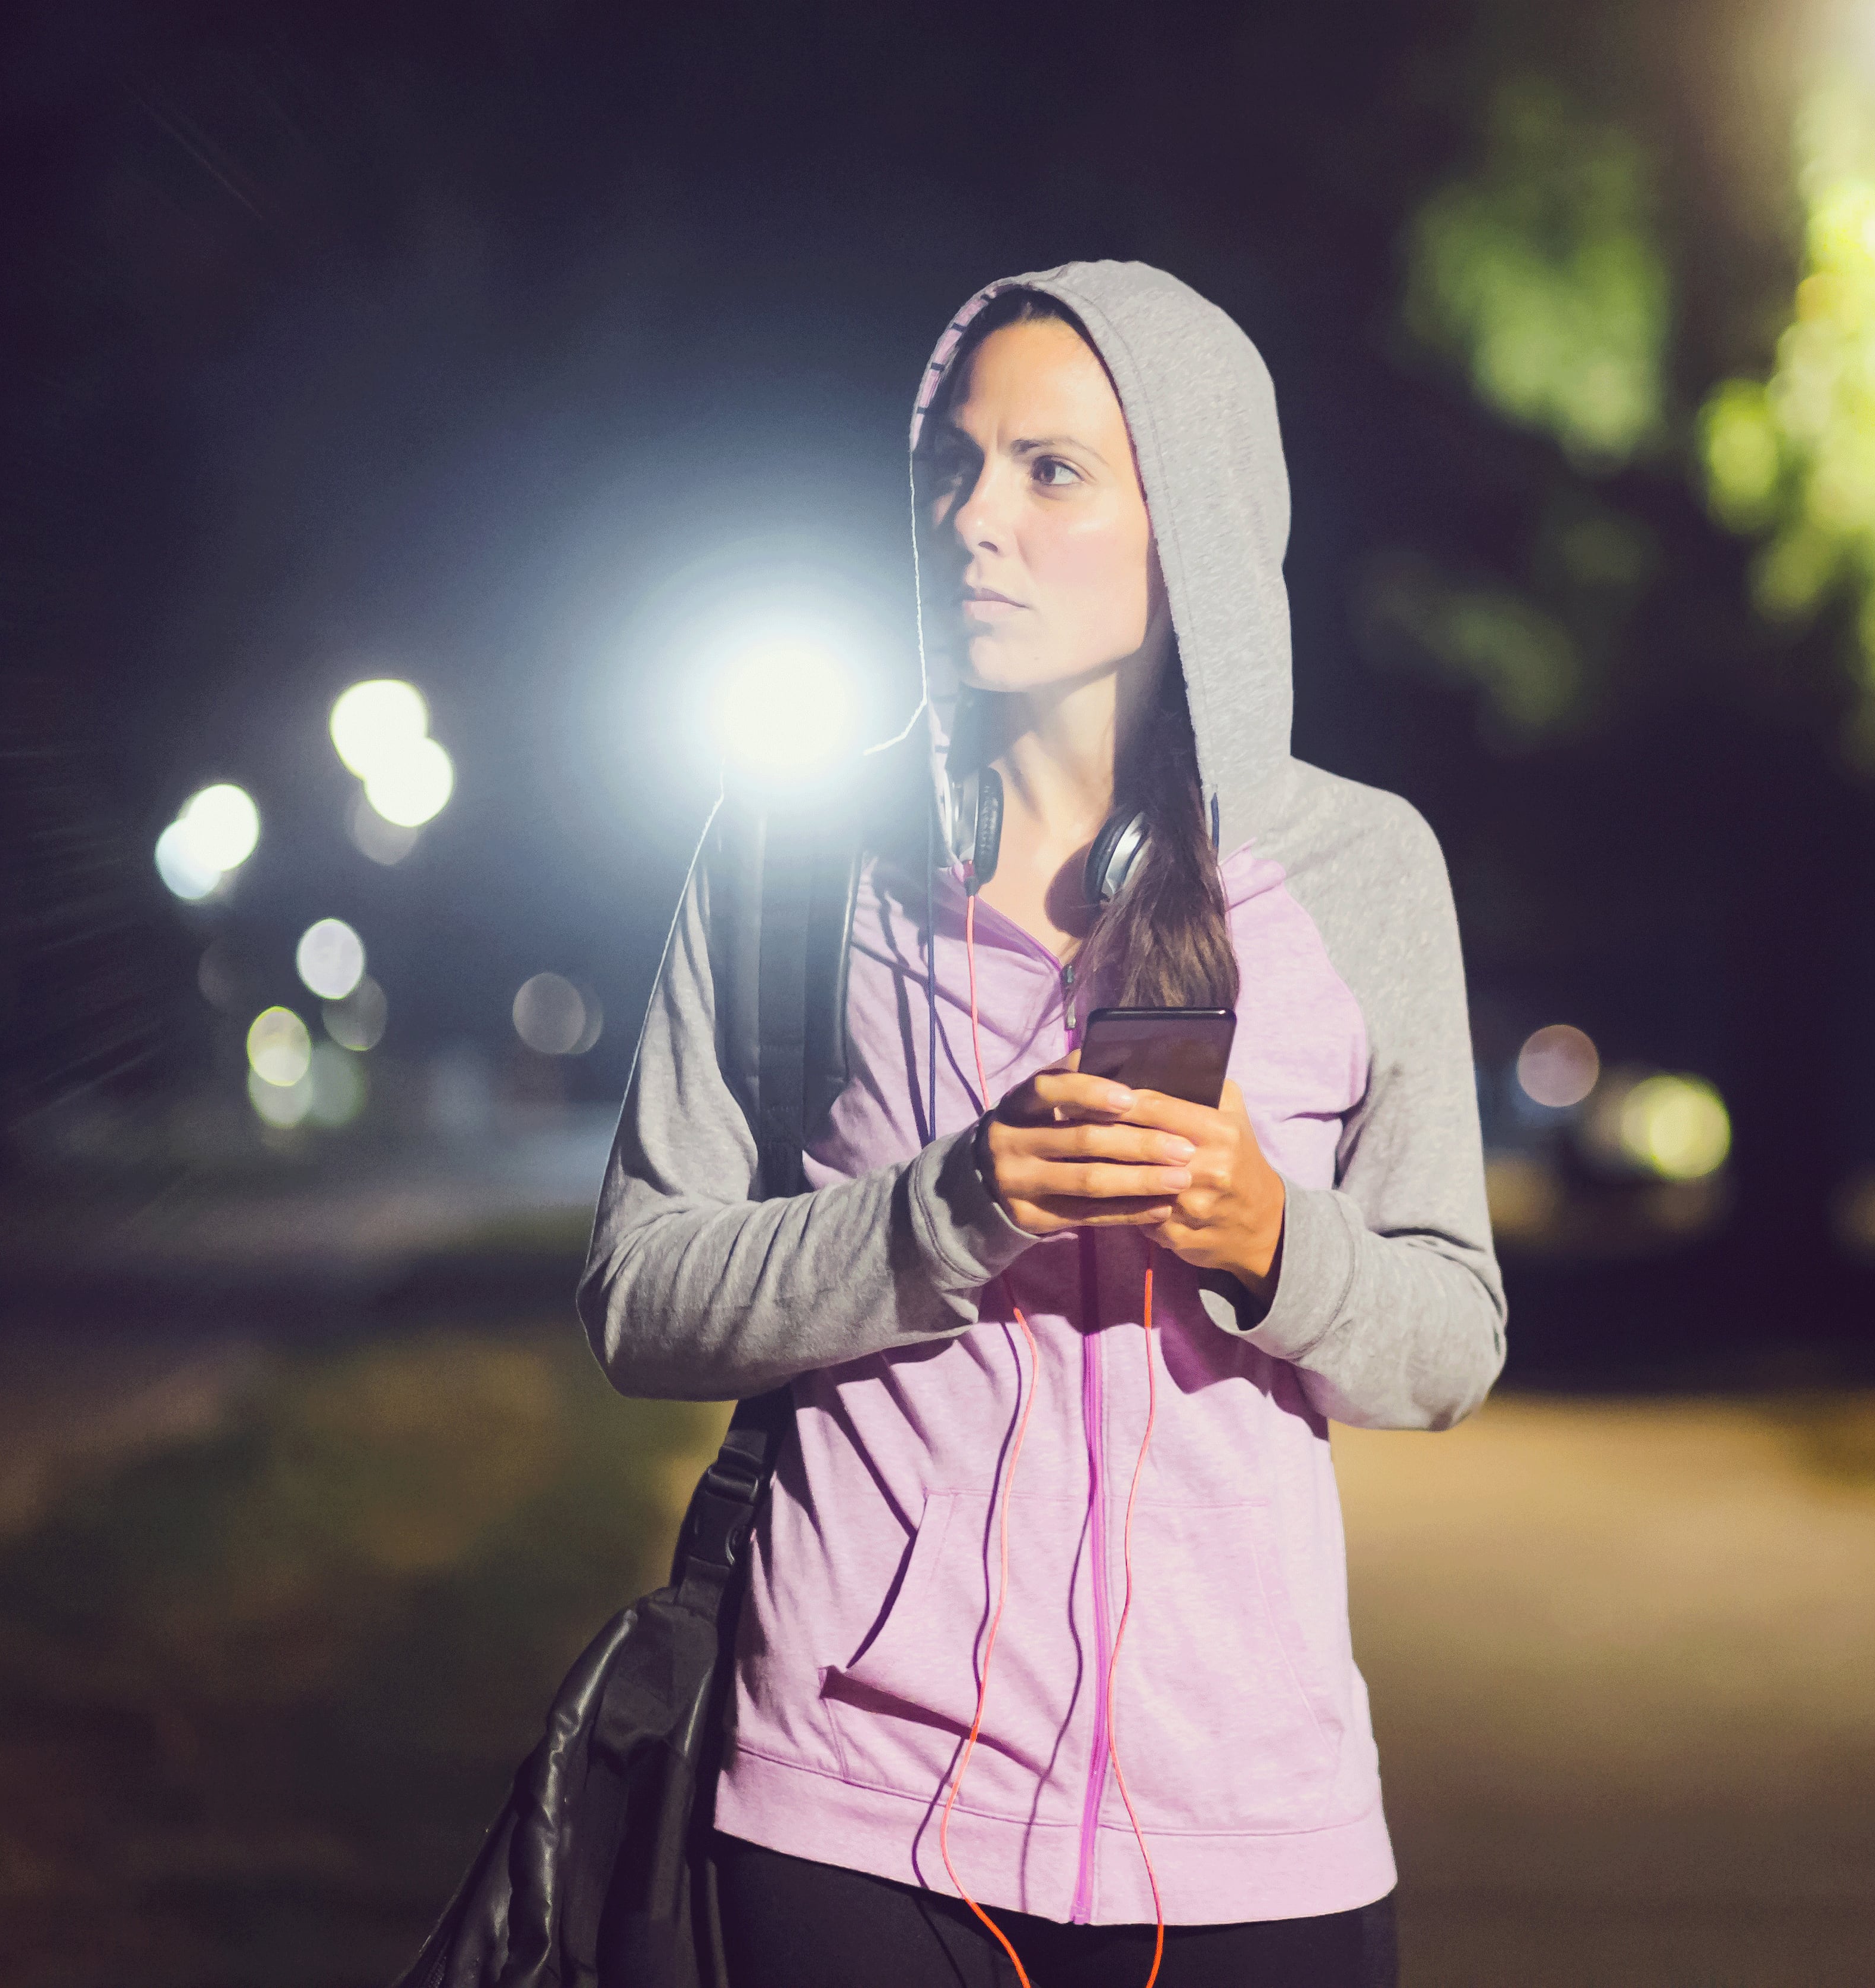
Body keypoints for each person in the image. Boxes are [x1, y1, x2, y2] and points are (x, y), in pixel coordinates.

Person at [580, 261, 1504, 1988]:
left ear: (1192, 530)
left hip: (1254, 1827)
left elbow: (1450, 1343)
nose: (971, 520)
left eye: (1050, 470)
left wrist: (1271, 1239)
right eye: (952, 465)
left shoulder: (1362, 870)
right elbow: (641, 1298)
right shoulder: (790, 861)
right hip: (849, 1810)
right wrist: (948, 1208)